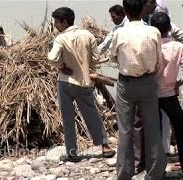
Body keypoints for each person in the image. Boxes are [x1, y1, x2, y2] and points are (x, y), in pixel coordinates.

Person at [47, 7, 116, 162]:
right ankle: (105, 146)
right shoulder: (87, 34)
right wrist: (86, 65)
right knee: (92, 114)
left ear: (64, 22)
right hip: (84, 81)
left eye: (57, 22)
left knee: (68, 117)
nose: (56, 25)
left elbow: (52, 58)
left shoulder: (60, 38)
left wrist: (61, 67)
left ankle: (72, 152)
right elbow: (96, 58)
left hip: (65, 82)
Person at [109, 0, 166, 179]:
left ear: (125, 11)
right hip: (148, 81)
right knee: (152, 127)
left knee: (125, 129)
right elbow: (159, 61)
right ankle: (155, 172)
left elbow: (112, 57)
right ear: (143, 9)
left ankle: (125, 173)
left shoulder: (119, 33)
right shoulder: (153, 31)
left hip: (126, 84)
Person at [151, 12, 183, 172]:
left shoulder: (151, 47)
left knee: (153, 132)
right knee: (180, 128)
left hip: (151, 96)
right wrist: (178, 83)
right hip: (170, 95)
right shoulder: (178, 46)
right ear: (170, 27)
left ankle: (157, 168)